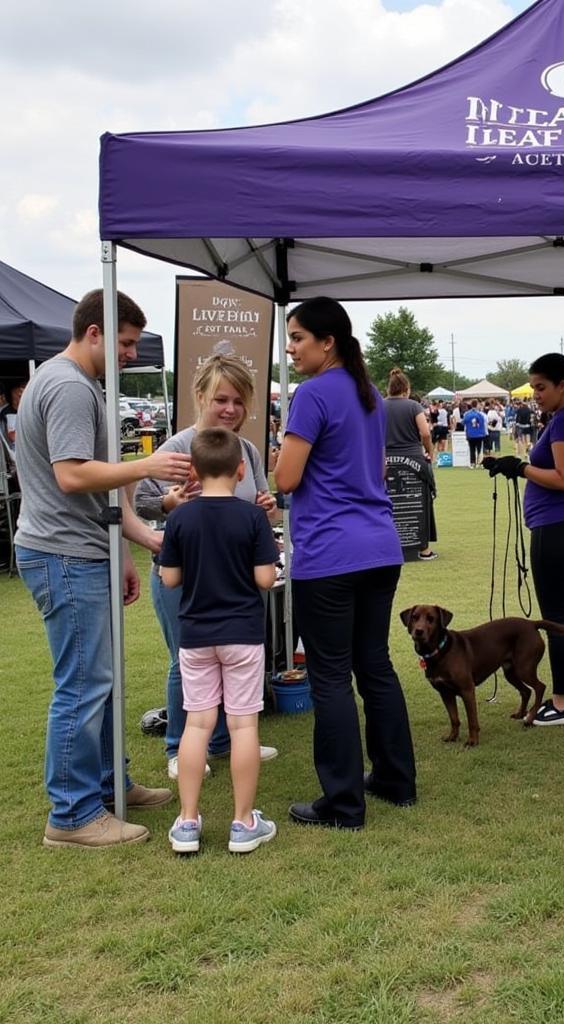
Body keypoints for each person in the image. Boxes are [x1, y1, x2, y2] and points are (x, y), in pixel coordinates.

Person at [15, 288, 192, 848]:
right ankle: (71, 815)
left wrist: (135, 544)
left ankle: (112, 783)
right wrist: (149, 464)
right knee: (85, 685)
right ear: (93, 332)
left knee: (103, 679)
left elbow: (93, 500)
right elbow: (72, 476)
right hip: (63, 556)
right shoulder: (69, 385)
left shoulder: (69, 382)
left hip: (81, 550)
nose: (129, 355)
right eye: (124, 343)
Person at [275, 297, 416, 830]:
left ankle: (341, 802)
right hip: (380, 547)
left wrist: (279, 459)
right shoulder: (370, 395)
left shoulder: (311, 394)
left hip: (330, 553)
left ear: (326, 341)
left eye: (297, 338)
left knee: (330, 678)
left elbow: (286, 479)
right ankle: (395, 779)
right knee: (373, 664)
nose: (290, 348)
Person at [135, 353, 279, 780]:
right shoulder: (178, 448)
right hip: (183, 576)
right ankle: (179, 746)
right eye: (221, 399)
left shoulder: (247, 450)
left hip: (234, 577)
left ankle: (222, 741)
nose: (231, 409)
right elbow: (139, 499)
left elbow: (261, 500)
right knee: (187, 660)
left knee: (229, 658)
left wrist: (266, 508)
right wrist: (169, 503)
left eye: (238, 400)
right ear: (200, 397)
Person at [159, 428, 279, 854]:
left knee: (197, 723)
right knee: (243, 724)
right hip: (242, 634)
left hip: (195, 636)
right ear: (241, 469)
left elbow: (170, 578)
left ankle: (188, 821)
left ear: (192, 470)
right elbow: (266, 577)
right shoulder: (251, 517)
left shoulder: (179, 518)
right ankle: (243, 823)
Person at [483, 353, 564, 726]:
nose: (534, 393)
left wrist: (519, 467)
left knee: (557, 620)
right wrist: (515, 465)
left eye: (540, 387)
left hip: (560, 529)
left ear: (561, 385)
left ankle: (563, 703)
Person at [383, 367, 438, 560]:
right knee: (420, 503)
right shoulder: (413, 406)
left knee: (387, 503)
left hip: (385, 462)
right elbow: (425, 433)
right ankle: (423, 550)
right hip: (413, 460)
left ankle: (388, 547)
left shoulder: (378, 406)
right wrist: (430, 452)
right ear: (406, 388)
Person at [463, 399, 487, 467]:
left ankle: (472, 463)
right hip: (479, 434)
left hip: (470, 434)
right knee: (479, 449)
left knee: (472, 449)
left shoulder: (467, 414)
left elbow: (463, 422)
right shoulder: (481, 414)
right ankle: (479, 463)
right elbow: (483, 424)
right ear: (477, 405)